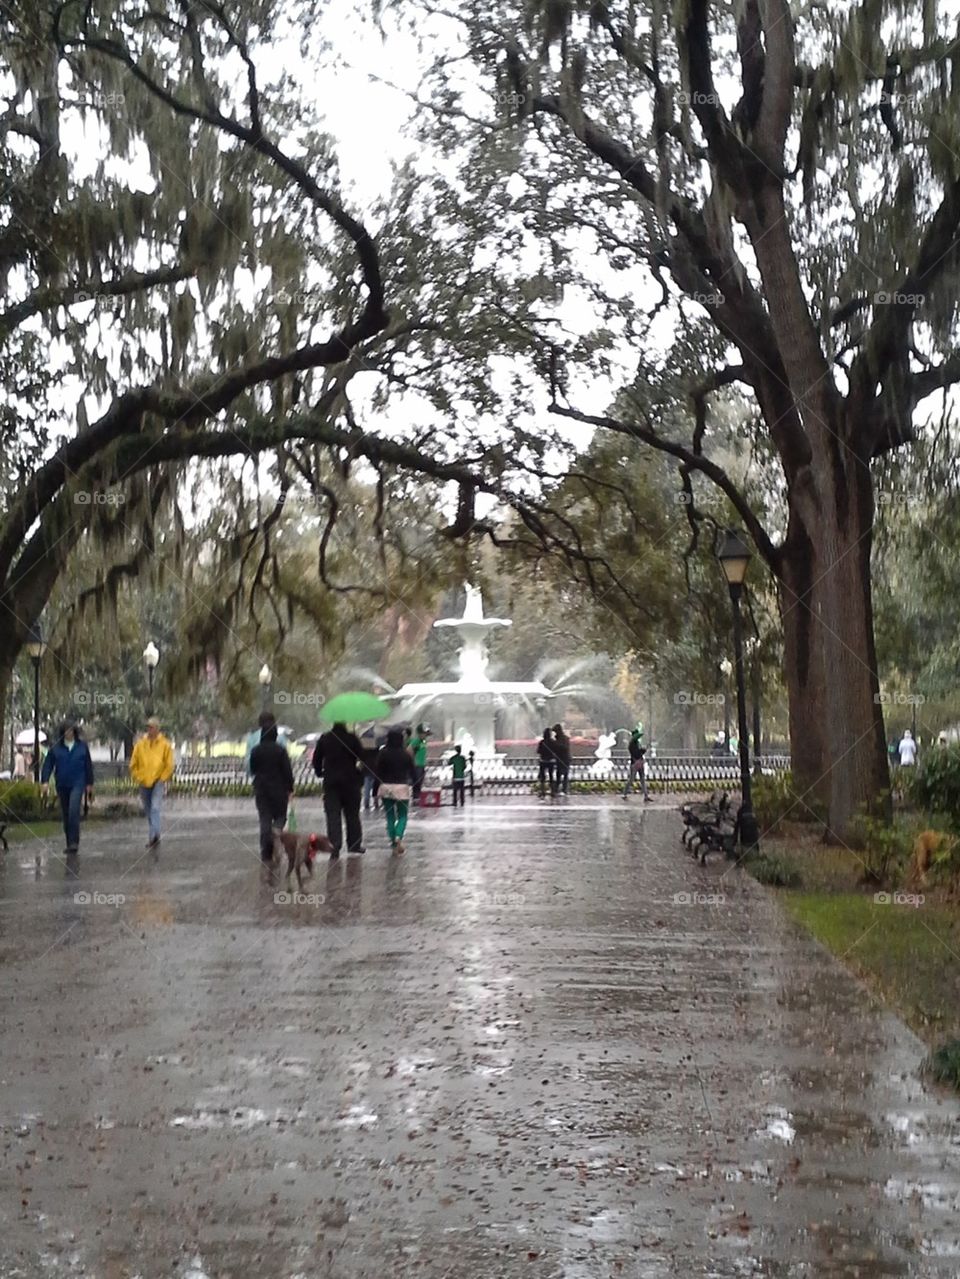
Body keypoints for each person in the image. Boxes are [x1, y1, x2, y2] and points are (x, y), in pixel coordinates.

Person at [40, 721, 94, 854]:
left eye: (70, 730)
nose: (68, 733)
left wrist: (89, 784)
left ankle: (74, 842)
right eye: (66, 731)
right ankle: (69, 842)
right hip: (62, 784)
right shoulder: (56, 748)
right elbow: (48, 765)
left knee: (73, 810)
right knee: (66, 814)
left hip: (78, 783)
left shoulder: (82, 747)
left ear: (74, 731)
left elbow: (88, 766)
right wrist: (45, 781)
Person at [313, 722, 365, 857]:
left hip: (331, 782)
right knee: (352, 815)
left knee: (333, 815)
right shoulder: (352, 738)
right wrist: (360, 774)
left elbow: (316, 759)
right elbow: (362, 758)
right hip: (351, 782)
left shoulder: (325, 738)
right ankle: (354, 845)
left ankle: (334, 846)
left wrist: (320, 773)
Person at [249, 715, 294, 863]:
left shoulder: (255, 751)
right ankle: (277, 830)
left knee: (264, 818)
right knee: (281, 816)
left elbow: (253, 769)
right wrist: (290, 788)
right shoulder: (280, 751)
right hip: (279, 790)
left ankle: (266, 851)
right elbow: (287, 771)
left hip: (261, 790)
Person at [130, 717, 175, 848]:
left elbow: (169, 764)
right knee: (148, 809)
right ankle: (155, 834)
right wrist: (138, 777)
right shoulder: (140, 745)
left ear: (157, 728)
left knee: (155, 808)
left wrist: (163, 778)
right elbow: (133, 764)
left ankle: (153, 836)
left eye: (152, 727)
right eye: (148, 727)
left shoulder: (165, 745)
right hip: (144, 781)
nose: (150, 730)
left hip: (158, 781)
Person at [374, 728, 417, 853]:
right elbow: (413, 773)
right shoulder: (406, 754)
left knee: (390, 816)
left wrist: (375, 789)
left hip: (386, 787)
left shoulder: (383, 753)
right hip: (402, 788)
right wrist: (415, 786)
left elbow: (377, 772)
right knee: (403, 815)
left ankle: (393, 843)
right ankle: (399, 835)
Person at [622, 728, 650, 801]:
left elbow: (639, 752)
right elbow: (636, 753)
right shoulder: (632, 744)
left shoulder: (636, 743)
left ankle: (646, 796)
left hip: (639, 762)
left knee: (642, 779)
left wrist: (643, 750)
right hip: (635, 763)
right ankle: (624, 794)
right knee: (631, 779)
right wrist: (643, 750)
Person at [408, 723, 430, 799]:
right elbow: (409, 749)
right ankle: (416, 798)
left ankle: (418, 797)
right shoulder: (416, 741)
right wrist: (413, 760)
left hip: (422, 764)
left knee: (420, 782)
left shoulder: (423, 741)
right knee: (416, 782)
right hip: (417, 765)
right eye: (424, 734)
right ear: (420, 733)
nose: (426, 736)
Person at [360, 729, 379, 812]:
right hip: (375, 768)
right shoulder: (376, 746)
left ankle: (366, 803)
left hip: (366, 768)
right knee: (375, 787)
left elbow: (361, 757)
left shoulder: (364, 746)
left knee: (367, 787)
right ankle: (376, 802)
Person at [537, 727, 556, 799]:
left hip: (543, 761)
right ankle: (553, 791)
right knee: (551, 776)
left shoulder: (542, 742)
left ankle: (542, 791)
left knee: (542, 777)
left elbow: (538, 751)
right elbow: (555, 750)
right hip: (551, 761)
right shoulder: (553, 742)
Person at [552, 723, 571, 795]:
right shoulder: (557, 739)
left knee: (565, 775)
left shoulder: (564, 738)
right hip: (559, 759)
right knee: (558, 774)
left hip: (565, 759)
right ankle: (557, 789)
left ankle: (564, 790)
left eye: (555, 731)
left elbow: (565, 748)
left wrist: (556, 745)